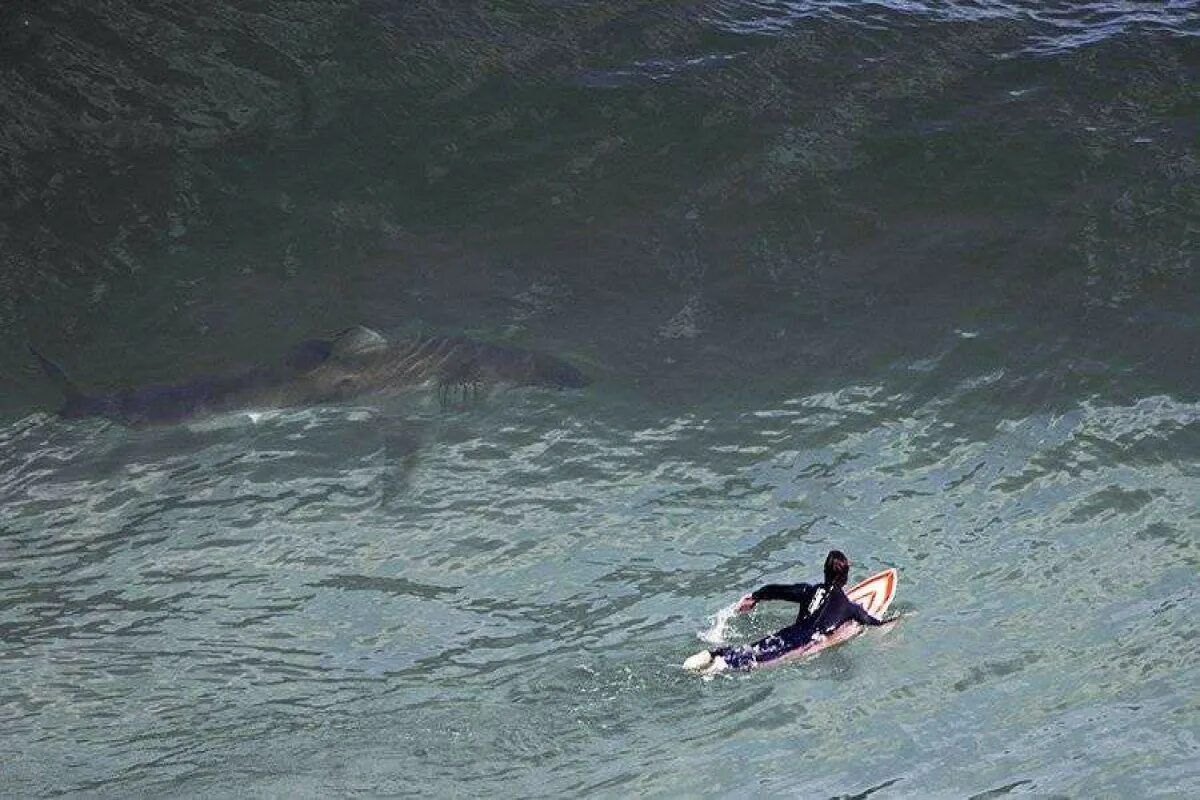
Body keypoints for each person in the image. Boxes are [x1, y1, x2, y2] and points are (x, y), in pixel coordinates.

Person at [684, 550, 889, 672]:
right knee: (751, 664)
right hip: (803, 643)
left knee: (751, 650)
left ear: (825, 572)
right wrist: (899, 619)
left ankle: (712, 655)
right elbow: (872, 622)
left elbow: (777, 590)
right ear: (844, 577)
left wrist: (755, 597)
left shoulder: (808, 591)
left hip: (786, 634)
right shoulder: (848, 607)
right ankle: (714, 668)